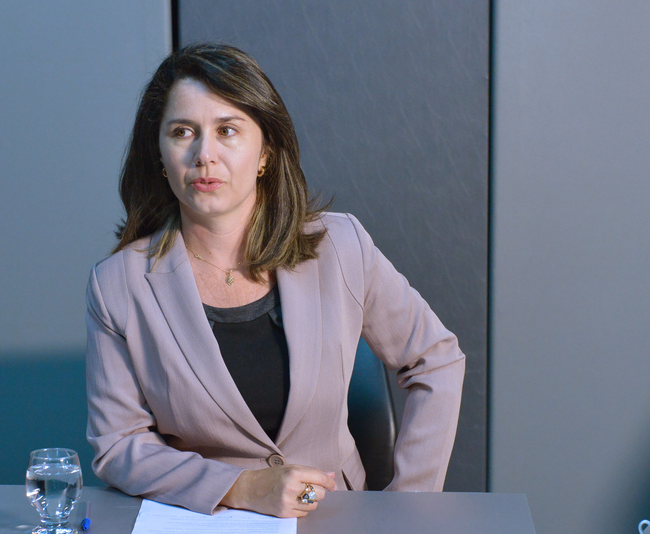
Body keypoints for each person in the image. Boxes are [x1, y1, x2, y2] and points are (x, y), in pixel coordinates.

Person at [85, 43, 465, 518]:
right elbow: (118, 444)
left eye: (227, 130)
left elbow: (436, 359)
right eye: (183, 132)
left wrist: (407, 507)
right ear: (160, 156)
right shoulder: (117, 285)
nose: (204, 154)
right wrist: (241, 487)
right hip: (204, 519)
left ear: (265, 152)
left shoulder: (341, 246)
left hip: (335, 517)